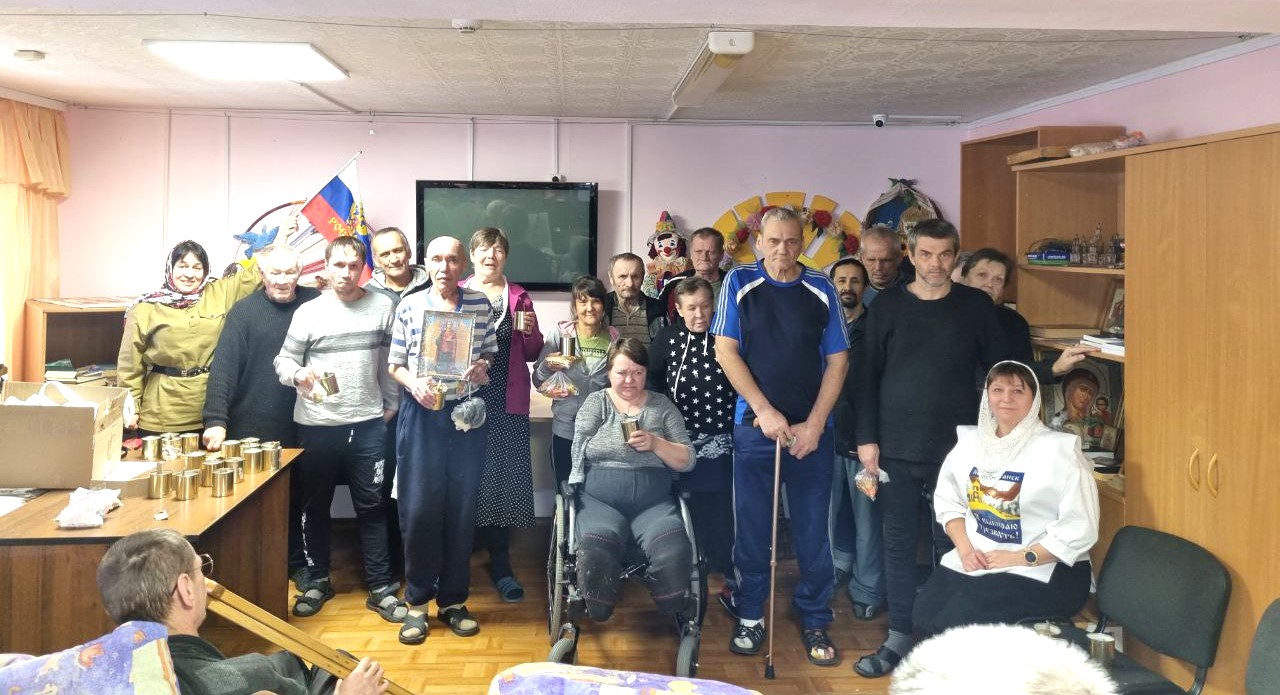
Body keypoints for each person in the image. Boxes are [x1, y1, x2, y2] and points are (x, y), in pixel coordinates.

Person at [852, 218, 1007, 678]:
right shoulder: (887, 307)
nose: (935, 264)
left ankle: (948, 638)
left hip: (958, 451)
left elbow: (1003, 371)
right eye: (925, 254)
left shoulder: (975, 306)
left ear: (955, 257)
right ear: (911, 256)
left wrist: (1047, 374)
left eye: (944, 255)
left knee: (952, 544)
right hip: (895, 448)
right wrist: (866, 440)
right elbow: (867, 377)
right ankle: (900, 634)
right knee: (898, 545)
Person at [712, 206, 849, 667]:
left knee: (813, 532)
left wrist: (815, 423)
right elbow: (725, 349)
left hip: (812, 434)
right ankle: (750, 612)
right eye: (773, 241)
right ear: (759, 242)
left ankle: (815, 615)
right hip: (756, 429)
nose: (782, 250)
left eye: (791, 241)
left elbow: (838, 360)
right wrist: (764, 410)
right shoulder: (739, 282)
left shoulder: (822, 287)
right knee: (752, 527)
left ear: (803, 241)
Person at [912, 360, 1099, 637]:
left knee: (959, 622)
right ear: (987, 395)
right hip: (981, 557)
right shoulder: (970, 443)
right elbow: (948, 503)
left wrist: (1019, 557)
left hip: (1046, 568)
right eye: (997, 390)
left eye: (1017, 391)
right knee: (925, 612)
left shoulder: (1060, 451)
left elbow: (1080, 527)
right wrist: (966, 550)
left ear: (1034, 398)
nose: (1006, 399)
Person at [96, 528, 389, 695]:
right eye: (200, 570)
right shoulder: (241, 682)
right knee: (348, 671)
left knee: (313, 662)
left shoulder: (94, 671)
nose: (208, 583)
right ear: (185, 589)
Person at [274, 236, 400, 623]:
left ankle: (381, 588)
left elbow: (390, 360)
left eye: (353, 265)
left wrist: (391, 404)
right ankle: (317, 581)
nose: (345, 273)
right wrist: (298, 374)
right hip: (317, 427)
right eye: (339, 265)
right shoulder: (308, 313)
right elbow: (283, 361)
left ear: (363, 268)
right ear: (326, 267)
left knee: (373, 506)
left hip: (368, 427)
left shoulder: (382, 306)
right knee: (315, 506)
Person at [389, 235, 498, 645]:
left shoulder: (479, 305)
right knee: (419, 510)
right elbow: (395, 364)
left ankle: (453, 601)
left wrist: (481, 366)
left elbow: (489, 353)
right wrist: (414, 384)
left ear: (463, 264)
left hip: (465, 415)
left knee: (461, 509)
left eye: (452, 259)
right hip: (421, 415)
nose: (444, 267)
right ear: (426, 262)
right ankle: (417, 603)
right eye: (436, 259)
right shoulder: (410, 305)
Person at [201, 243, 319, 583]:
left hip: (307, 420)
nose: (282, 280)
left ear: (300, 273)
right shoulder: (244, 312)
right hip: (253, 423)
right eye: (275, 273)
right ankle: (253, 569)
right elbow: (224, 369)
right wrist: (216, 421)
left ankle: (298, 565)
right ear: (262, 274)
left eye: (290, 272)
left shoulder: (315, 303)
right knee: (257, 501)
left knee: (300, 497)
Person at [571, 338, 696, 621]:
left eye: (637, 373)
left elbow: (688, 459)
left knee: (675, 550)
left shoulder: (662, 406)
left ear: (646, 373)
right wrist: (578, 478)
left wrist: (655, 443)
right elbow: (578, 446)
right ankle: (598, 608)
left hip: (653, 505)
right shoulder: (596, 402)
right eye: (621, 373)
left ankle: (670, 607)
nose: (629, 380)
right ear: (608, 373)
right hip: (600, 502)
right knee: (596, 551)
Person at [459, 227, 543, 604]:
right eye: (483, 249)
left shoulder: (518, 296)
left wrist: (530, 331)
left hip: (505, 401)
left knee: (502, 481)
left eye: (497, 250)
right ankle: (457, 559)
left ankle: (501, 565)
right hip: (462, 400)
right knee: (463, 477)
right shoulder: (456, 291)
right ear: (472, 255)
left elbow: (532, 352)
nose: (490, 255)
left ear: (505, 257)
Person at [648, 277, 737, 593]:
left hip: (722, 439)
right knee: (685, 504)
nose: (699, 314)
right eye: (692, 308)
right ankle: (686, 563)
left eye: (705, 306)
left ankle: (723, 563)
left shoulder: (728, 336)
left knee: (720, 506)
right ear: (679, 309)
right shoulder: (668, 338)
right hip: (680, 440)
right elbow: (652, 380)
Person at [118, 240, 261, 435]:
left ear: (205, 270)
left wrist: (282, 237)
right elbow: (130, 365)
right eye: (182, 266)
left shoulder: (219, 292)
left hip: (213, 410)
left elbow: (256, 275)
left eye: (197, 267)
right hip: (161, 413)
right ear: (170, 268)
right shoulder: (145, 308)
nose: (189, 274)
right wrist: (132, 408)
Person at [827, 257, 885, 621]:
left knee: (868, 520)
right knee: (832, 515)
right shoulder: (823, 326)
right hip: (826, 438)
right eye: (841, 280)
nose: (847, 287)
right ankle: (838, 565)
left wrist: (873, 437)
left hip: (865, 444)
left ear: (865, 287)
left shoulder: (876, 328)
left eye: (854, 281)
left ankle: (868, 588)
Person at [957, 248, 1095, 381]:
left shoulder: (1013, 322)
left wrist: (1054, 368)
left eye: (998, 279)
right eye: (982, 275)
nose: (989, 284)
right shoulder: (948, 314)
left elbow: (1020, 370)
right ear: (963, 278)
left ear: (1003, 289)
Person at [533, 275, 620, 484]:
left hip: (600, 431)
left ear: (604, 306)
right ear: (574, 306)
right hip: (566, 429)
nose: (589, 308)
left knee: (596, 489)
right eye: (583, 302)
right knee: (565, 489)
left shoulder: (614, 339)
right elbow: (537, 380)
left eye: (595, 301)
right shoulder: (560, 335)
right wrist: (547, 366)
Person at [656, 227, 728, 323]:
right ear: (691, 254)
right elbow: (658, 316)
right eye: (698, 252)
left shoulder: (733, 284)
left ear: (721, 255)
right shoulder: (673, 285)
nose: (704, 257)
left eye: (710, 252)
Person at [605, 252, 664, 346]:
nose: (630, 283)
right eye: (622, 276)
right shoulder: (600, 308)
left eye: (635, 276)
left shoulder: (659, 309)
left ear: (642, 278)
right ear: (611, 278)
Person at [366, 226, 431, 301]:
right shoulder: (367, 295)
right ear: (376, 261)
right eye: (385, 255)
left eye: (398, 251)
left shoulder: (433, 285)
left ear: (409, 252)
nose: (394, 260)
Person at [858, 224, 912, 309]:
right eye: (871, 260)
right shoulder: (853, 292)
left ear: (899, 258)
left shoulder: (917, 291)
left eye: (886, 260)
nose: (878, 267)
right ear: (862, 258)